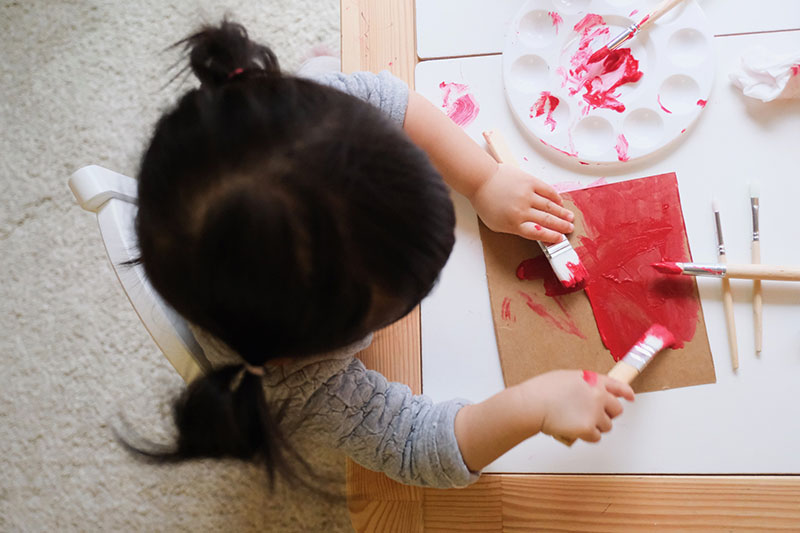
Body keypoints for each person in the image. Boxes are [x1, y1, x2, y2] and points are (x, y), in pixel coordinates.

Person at [122, 20, 634, 490]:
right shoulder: (300, 382)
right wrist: (531, 405)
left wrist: (483, 179)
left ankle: (316, 66)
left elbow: (387, 99)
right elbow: (417, 448)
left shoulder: (320, 112)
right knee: (325, 68)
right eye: (405, 298)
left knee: (328, 71)